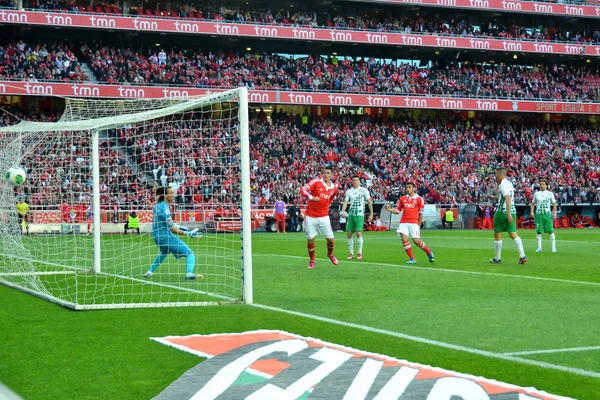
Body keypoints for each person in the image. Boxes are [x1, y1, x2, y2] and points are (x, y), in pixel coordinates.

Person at [144, 187, 203, 280]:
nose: (173, 195)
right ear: (165, 195)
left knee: (164, 252)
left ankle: (149, 272)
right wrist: (188, 234)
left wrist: (186, 229)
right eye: (171, 193)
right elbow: (173, 229)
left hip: (157, 237)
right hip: (166, 237)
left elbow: (171, 224)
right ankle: (189, 274)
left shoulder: (158, 205)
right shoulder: (165, 209)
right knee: (190, 254)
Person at [384, 182, 434, 264]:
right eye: (407, 187)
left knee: (416, 241)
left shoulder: (419, 199)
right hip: (403, 222)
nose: (407, 189)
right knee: (404, 238)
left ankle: (429, 252)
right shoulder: (403, 199)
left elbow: (420, 213)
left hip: (414, 223)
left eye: (409, 187)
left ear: (414, 188)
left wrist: (418, 225)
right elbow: (397, 211)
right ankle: (412, 258)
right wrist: (389, 209)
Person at [300, 166, 339, 269]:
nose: (326, 175)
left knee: (331, 240)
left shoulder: (334, 188)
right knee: (310, 240)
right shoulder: (316, 182)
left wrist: (326, 206)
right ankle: (312, 260)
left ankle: (330, 254)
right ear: (322, 174)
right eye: (324, 173)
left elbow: (331, 198)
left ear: (331, 175)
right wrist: (311, 197)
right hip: (311, 216)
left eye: (328, 173)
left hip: (324, 216)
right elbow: (303, 189)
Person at [488, 168, 527, 264]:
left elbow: (507, 198)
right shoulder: (509, 184)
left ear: (501, 175)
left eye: (497, 174)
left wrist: (508, 213)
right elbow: (506, 197)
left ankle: (497, 258)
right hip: (513, 211)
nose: (496, 177)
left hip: (502, 212)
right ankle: (522, 256)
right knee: (513, 233)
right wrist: (493, 197)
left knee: (497, 233)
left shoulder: (502, 185)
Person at [340, 176, 373, 260]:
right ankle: (351, 253)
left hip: (360, 214)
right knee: (349, 233)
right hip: (351, 214)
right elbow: (346, 202)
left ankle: (359, 253)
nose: (355, 182)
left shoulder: (363, 190)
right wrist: (343, 211)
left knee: (358, 233)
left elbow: (369, 202)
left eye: (357, 180)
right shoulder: (349, 191)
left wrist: (371, 213)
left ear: (359, 181)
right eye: (354, 180)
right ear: (352, 181)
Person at [530, 179, 558, 253]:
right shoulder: (536, 194)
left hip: (547, 214)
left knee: (550, 231)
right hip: (539, 214)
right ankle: (539, 248)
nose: (541, 185)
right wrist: (532, 212)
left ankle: (553, 248)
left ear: (546, 185)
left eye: (543, 184)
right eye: (541, 184)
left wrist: (555, 213)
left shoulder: (550, 194)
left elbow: (554, 203)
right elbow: (532, 203)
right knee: (538, 231)